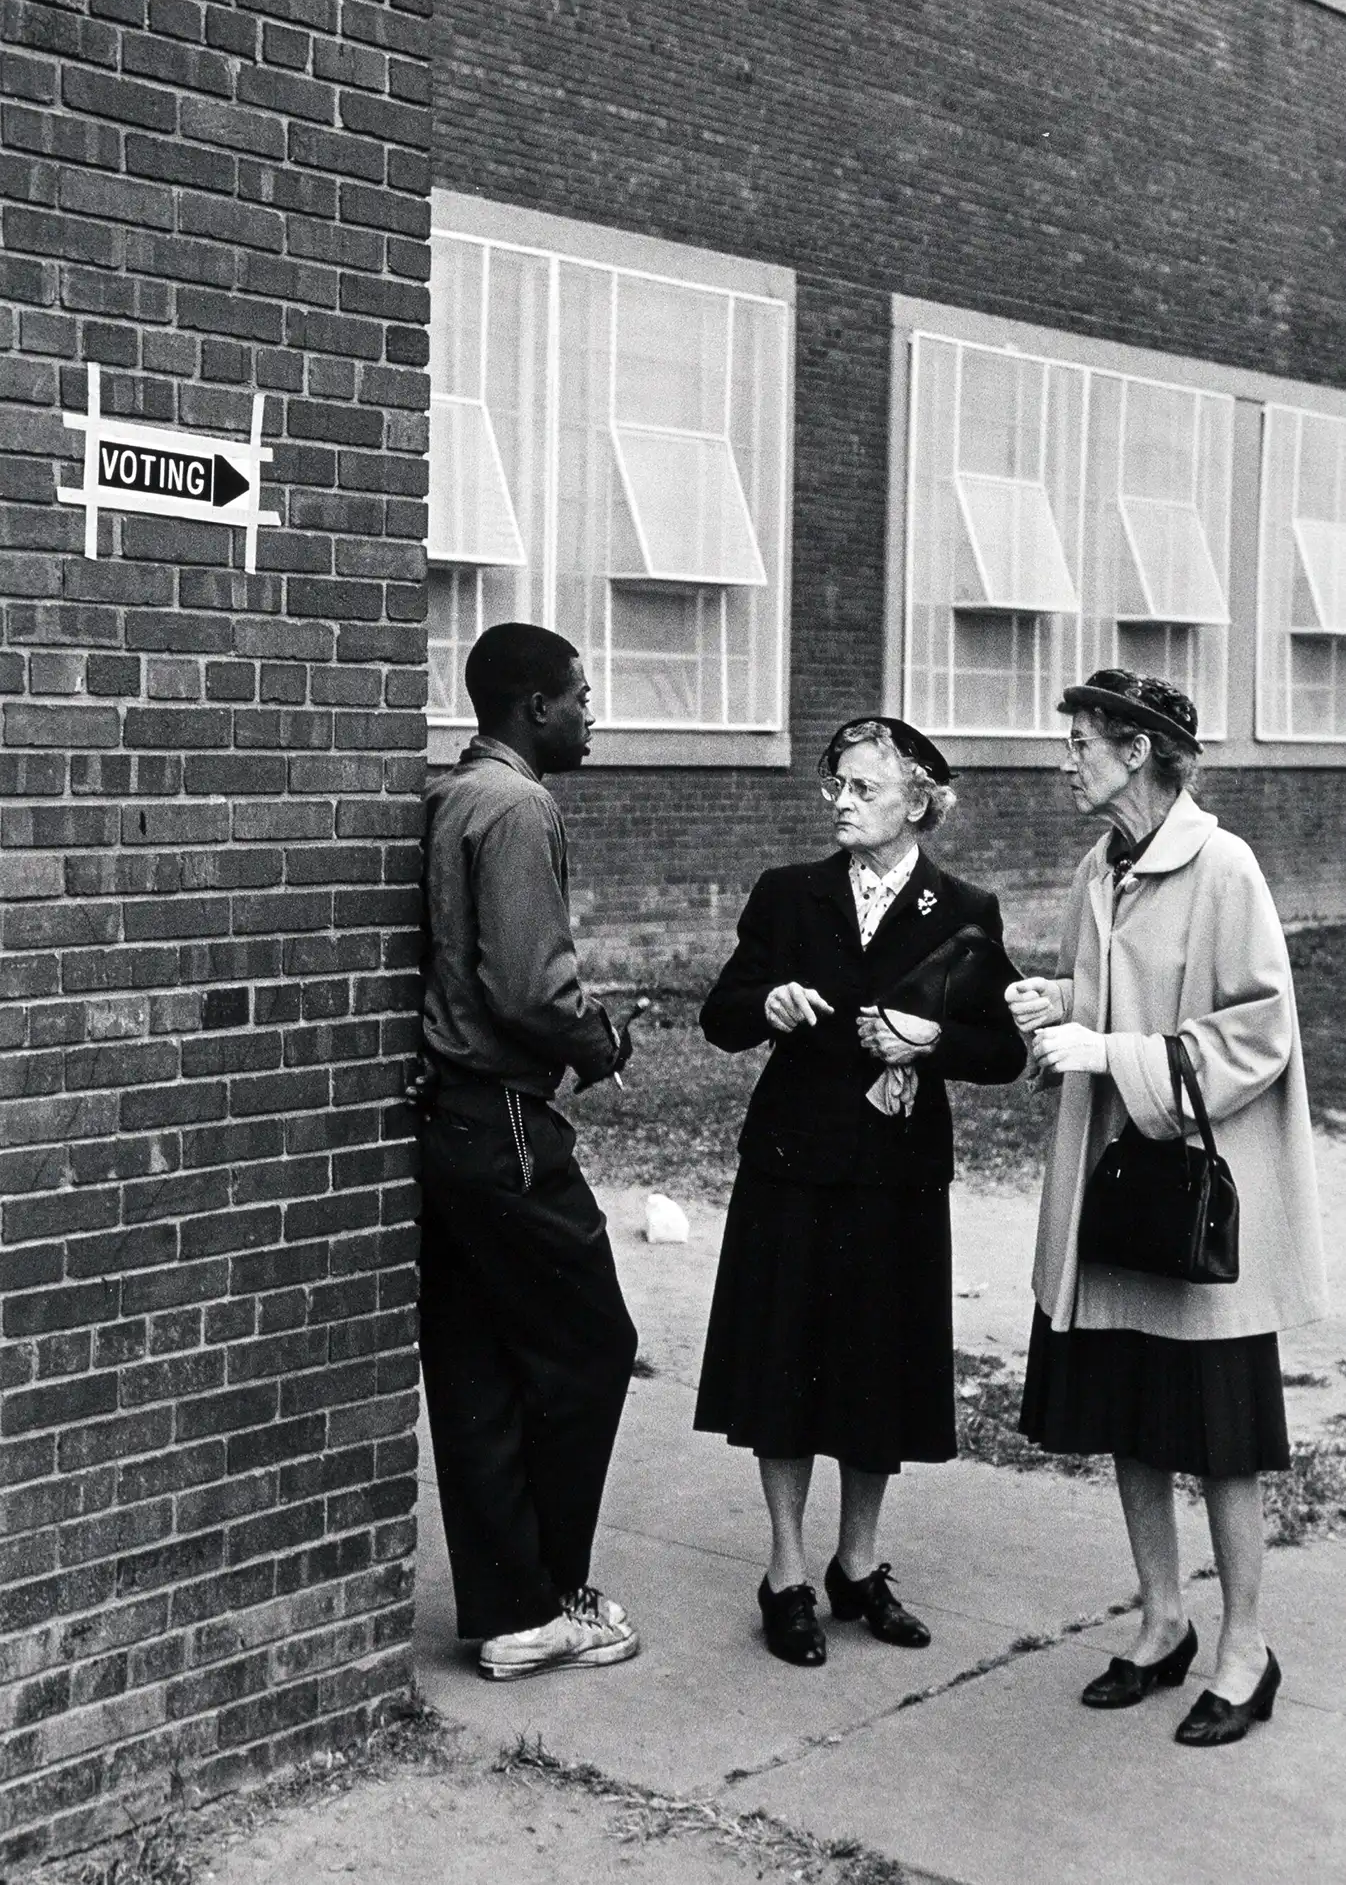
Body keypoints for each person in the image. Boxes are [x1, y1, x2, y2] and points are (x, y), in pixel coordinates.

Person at [1006, 670, 1328, 1746]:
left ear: (1136, 751)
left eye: (1080, 742)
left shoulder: (1222, 865)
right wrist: (1050, 1004)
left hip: (1196, 1205)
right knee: (1125, 1423)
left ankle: (1245, 1651)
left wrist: (1110, 1050)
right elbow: (1100, 996)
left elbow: (1257, 1029)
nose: (1066, 759)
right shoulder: (1099, 865)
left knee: (1219, 1438)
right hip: (1112, 1198)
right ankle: (1160, 1624)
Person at [694, 716, 1025, 1666]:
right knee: (785, 1364)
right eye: (835, 784)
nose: (840, 801)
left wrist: (933, 1043)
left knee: (879, 1371)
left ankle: (859, 1563)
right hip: (794, 1167)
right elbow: (721, 1014)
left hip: (897, 1178)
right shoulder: (789, 895)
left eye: (862, 788)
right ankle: (787, 1573)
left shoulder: (964, 909)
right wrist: (768, 1004)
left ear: (916, 801)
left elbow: (1003, 1050)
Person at [416, 622, 640, 1681]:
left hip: (449, 1120)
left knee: (477, 1367)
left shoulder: (450, 793)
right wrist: (601, 1040)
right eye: (579, 697)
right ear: (531, 705)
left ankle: (513, 1616)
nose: (589, 716)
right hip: (504, 1120)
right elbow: (525, 989)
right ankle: (550, 1596)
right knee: (591, 1347)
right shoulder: (517, 805)